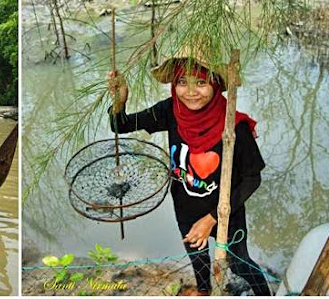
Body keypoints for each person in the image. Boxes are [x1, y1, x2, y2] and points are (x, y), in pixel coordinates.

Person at [108, 52, 270, 297]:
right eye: (183, 82)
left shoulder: (234, 127)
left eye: (201, 82)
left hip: (227, 213)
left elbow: (252, 179)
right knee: (198, 260)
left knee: (240, 264)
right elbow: (121, 126)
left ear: (215, 85)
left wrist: (212, 218)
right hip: (185, 209)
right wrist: (120, 101)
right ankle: (204, 292)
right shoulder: (171, 110)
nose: (191, 91)